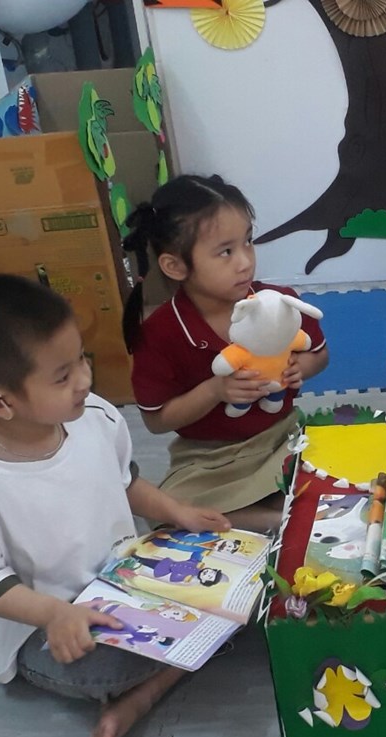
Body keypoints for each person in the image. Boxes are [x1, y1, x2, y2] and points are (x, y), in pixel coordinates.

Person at [0, 275, 231, 737]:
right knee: (113, 667)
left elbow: (123, 481)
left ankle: (141, 695)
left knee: (238, 582)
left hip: (128, 581)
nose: (84, 379)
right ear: (0, 402)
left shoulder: (93, 415)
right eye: (62, 376)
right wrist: (56, 614)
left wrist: (177, 512)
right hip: (48, 627)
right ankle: (141, 691)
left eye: (81, 358)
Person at [122, 174, 329, 532]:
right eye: (225, 252)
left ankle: (275, 511)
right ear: (175, 266)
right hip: (208, 457)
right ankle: (271, 518)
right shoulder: (161, 332)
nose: (245, 261)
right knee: (164, 510)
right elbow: (157, 420)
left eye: (247, 241)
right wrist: (214, 390)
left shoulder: (277, 303)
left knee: (332, 475)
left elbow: (321, 355)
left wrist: (302, 367)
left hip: (281, 435)